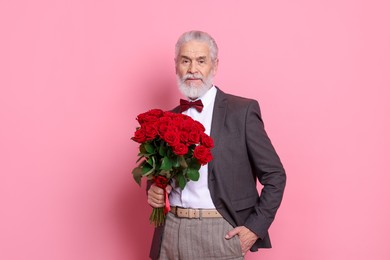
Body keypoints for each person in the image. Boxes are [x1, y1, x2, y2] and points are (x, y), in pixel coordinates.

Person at [147, 30, 286, 260]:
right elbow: (158, 176)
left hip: (220, 231)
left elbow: (275, 175)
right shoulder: (165, 120)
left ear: (215, 66)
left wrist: (254, 228)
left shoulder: (242, 112)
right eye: (185, 61)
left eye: (201, 61)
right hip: (171, 230)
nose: (193, 69)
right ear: (176, 66)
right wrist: (153, 189)